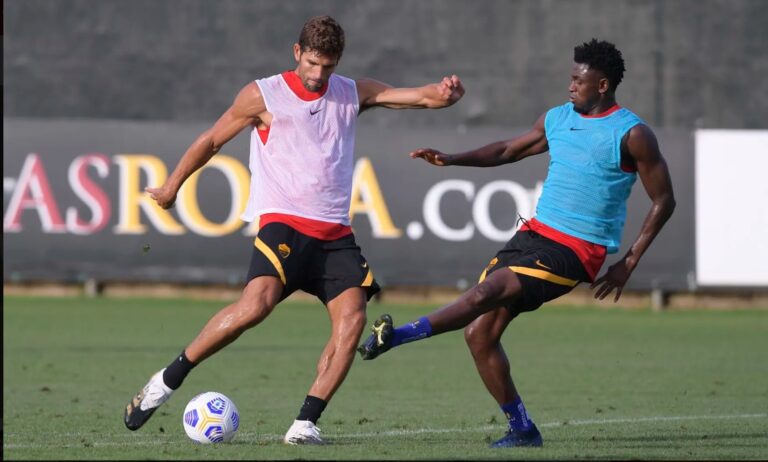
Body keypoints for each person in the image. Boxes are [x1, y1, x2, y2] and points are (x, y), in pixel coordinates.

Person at [123, 15, 464, 445]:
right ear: (297, 52)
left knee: (353, 319)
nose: (320, 75)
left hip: (335, 234)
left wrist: (446, 95)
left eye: (330, 66)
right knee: (256, 306)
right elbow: (212, 140)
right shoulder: (262, 94)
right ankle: (166, 381)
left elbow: (419, 97)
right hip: (283, 222)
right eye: (313, 64)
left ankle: (305, 423)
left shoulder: (352, 92)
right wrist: (173, 186)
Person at [357, 38, 675, 448]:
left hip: (577, 251)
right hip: (532, 235)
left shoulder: (632, 134)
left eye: (579, 79)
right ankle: (523, 430)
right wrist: (452, 159)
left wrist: (628, 263)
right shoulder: (558, 119)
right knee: (479, 336)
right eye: (570, 77)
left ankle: (397, 336)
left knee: (485, 292)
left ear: (603, 85)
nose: (570, 86)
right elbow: (508, 149)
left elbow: (664, 201)